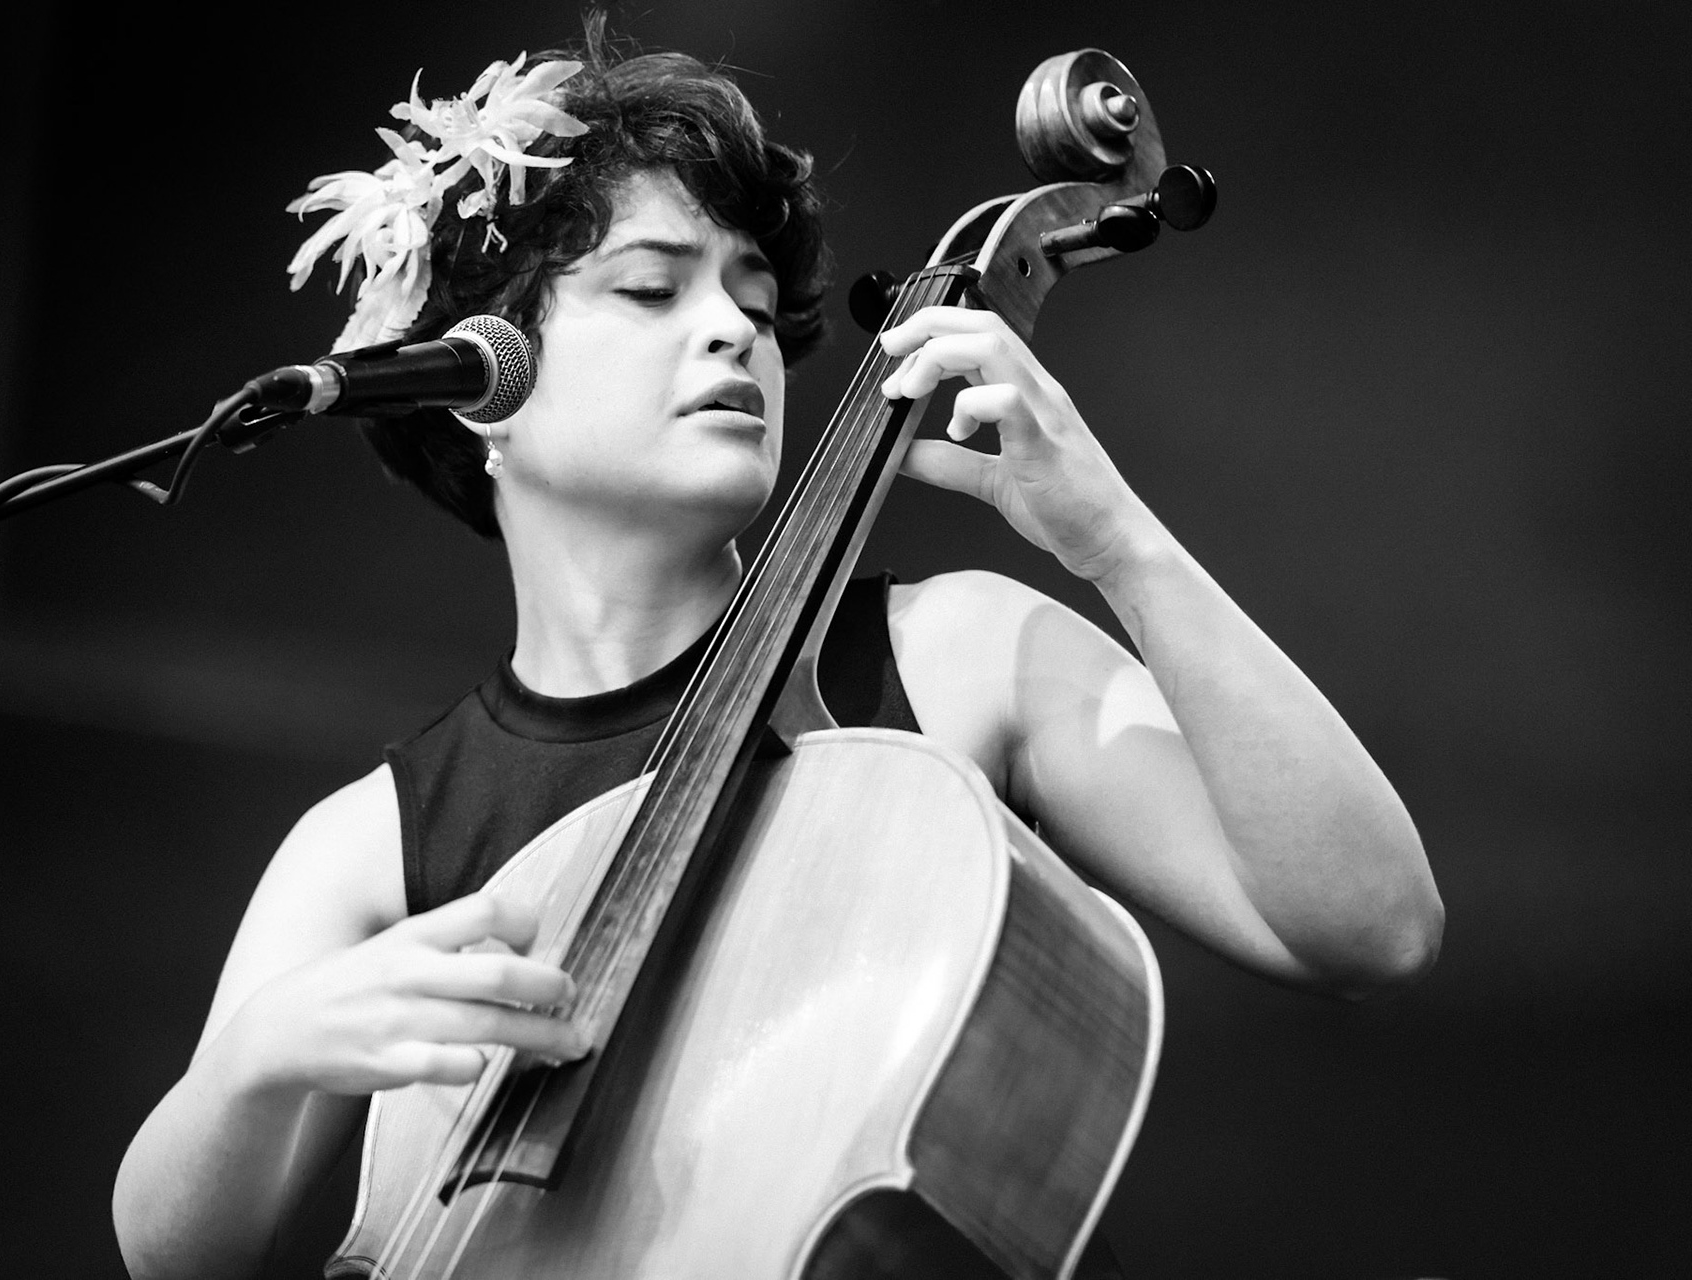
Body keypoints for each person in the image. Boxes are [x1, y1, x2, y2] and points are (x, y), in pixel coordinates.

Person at [112, 27, 1442, 1280]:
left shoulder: (954, 655)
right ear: (481, 395)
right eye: (649, 287)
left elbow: (1367, 921)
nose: (733, 330)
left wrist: (1120, 547)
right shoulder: (374, 842)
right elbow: (174, 1253)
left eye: (755, 299)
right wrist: (254, 1069)